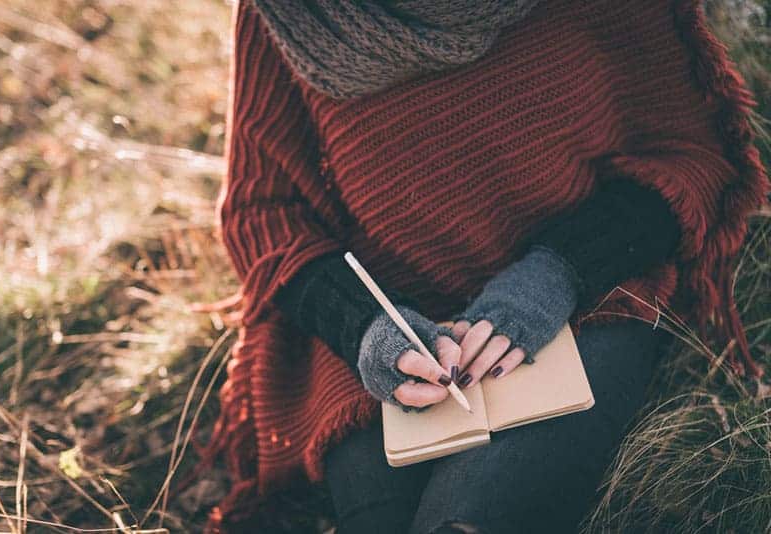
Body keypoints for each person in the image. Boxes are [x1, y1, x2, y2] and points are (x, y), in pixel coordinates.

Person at [192, 0, 770, 532]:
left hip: (585, 302)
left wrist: (556, 272)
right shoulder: (291, 15)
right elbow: (260, 212)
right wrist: (364, 326)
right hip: (382, 343)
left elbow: (690, 154)